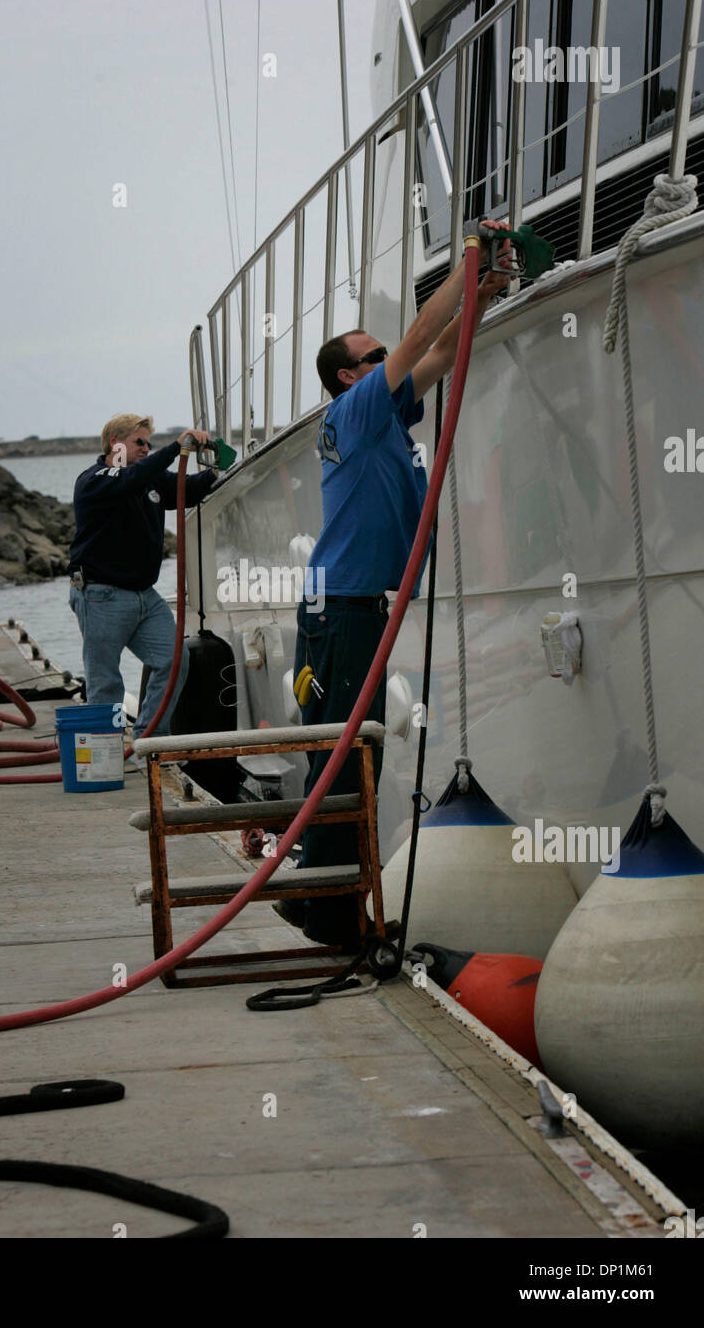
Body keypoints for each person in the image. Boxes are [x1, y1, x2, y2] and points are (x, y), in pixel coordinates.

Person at [282, 225, 511, 947]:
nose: (390, 361)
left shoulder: (381, 416)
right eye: (373, 358)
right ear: (350, 377)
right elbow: (420, 337)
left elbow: (439, 355)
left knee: (353, 754)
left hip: (354, 610)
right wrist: (463, 267)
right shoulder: (352, 412)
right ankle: (332, 916)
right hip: (341, 613)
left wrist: (483, 296)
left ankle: (327, 902)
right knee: (345, 758)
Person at [68, 413, 216, 737]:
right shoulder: (95, 479)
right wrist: (176, 448)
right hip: (101, 595)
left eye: (150, 443)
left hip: (145, 597)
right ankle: (105, 757)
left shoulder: (148, 479)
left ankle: (148, 743)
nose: (147, 449)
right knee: (105, 681)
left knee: (174, 662)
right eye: (140, 442)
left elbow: (185, 491)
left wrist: (218, 470)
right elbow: (129, 480)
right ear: (115, 443)